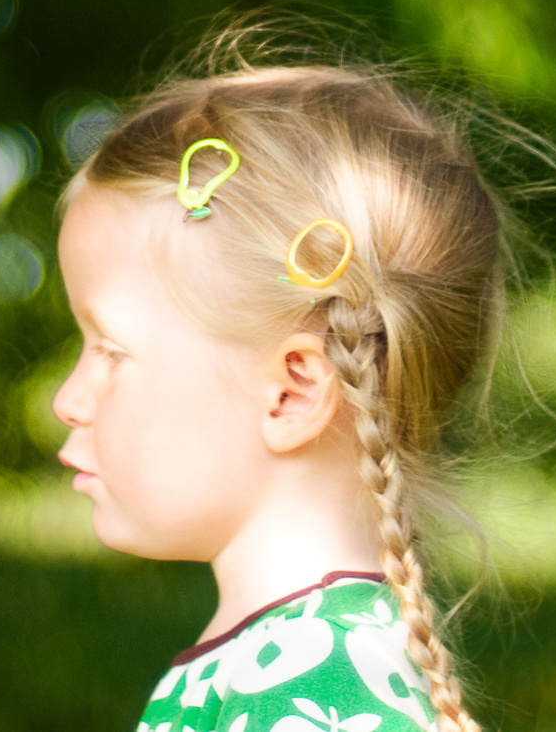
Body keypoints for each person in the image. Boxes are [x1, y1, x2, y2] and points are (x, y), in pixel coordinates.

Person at [53, 36, 529, 732]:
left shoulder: (314, 689)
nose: (68, 400)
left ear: (293, 392)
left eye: (111, 351)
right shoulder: (289, 662)